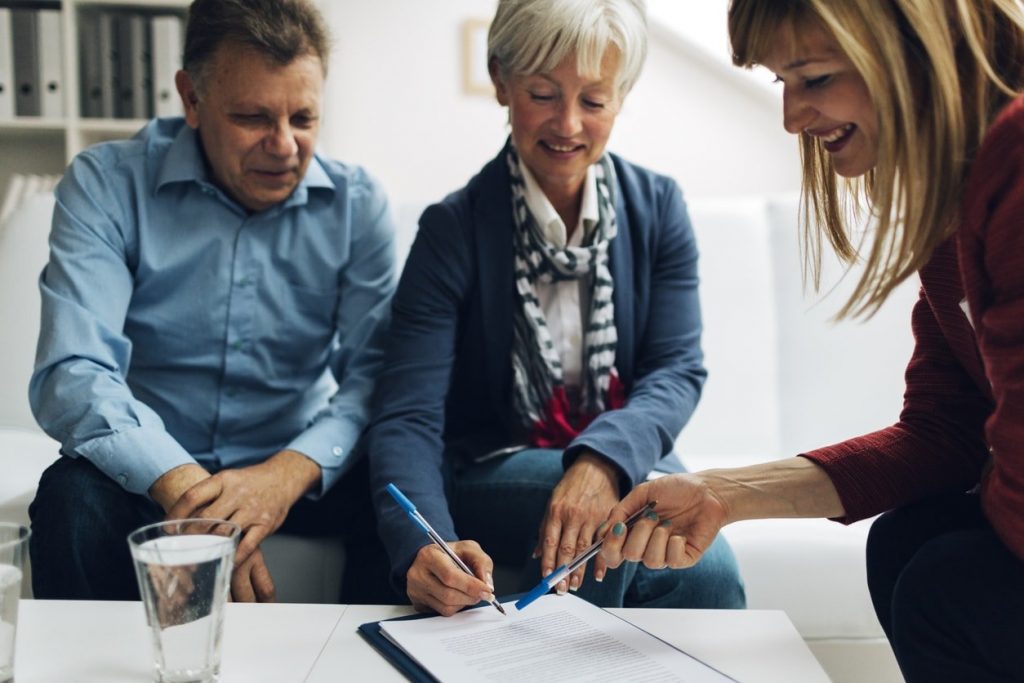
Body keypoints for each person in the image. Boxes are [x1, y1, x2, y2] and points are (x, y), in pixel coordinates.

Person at [600, 1, 1024, 680]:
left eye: (816, 78)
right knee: (907, 539)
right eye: (782, 83)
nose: (793, 118)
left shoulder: (1016, 155)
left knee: (942, 583)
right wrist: (723, 493)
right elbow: (945, 433)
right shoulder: (954, 203)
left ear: (911, 47)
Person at [367, 0, 745, 616]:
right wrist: (419, 544)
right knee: (616, 523)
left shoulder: (659, 208)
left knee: (708, 574)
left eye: (594, 101)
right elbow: (407, 416)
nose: (568, 124)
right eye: (543, 94)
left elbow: (676, 370)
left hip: (623, 457)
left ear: (621, 97)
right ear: (501, 81)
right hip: (495, 464)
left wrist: (601, 459)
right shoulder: (452, 229)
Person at [28, 0, 398, 604]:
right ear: (191, 99)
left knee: (399, 491)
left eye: (303, 118)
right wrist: (186, 488)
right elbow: (73, 371)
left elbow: (376, 378)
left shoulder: (358, 207)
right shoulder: (105, 184)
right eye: (253, 117)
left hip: (290, 466)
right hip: (149, 467)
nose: (284, 147)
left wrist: (284, 476)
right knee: (70, 500)